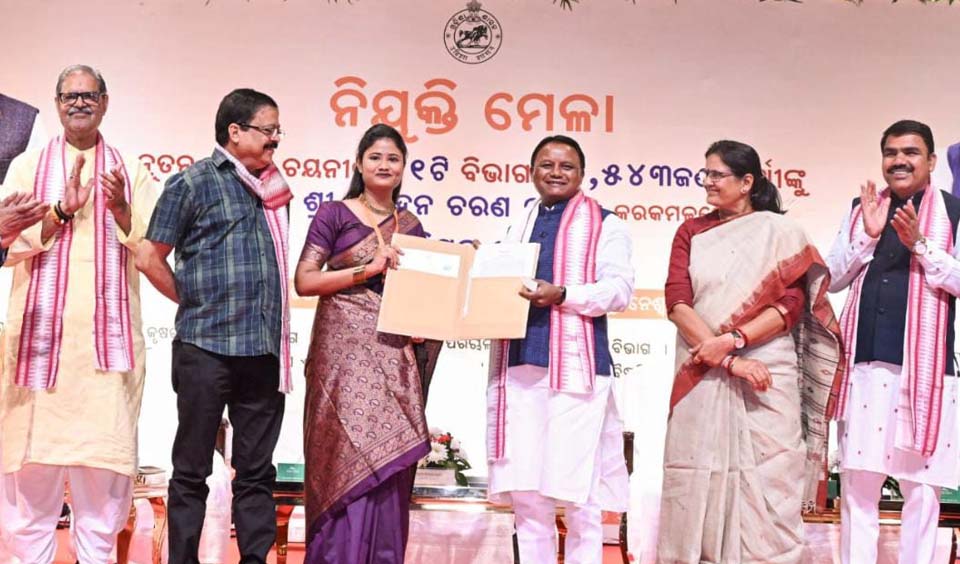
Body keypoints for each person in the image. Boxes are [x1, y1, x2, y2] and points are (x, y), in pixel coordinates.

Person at [0, 64, 158, 563]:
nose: (80, 104)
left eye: (89, 95)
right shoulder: (27, 168)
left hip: (104, 366)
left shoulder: (131, 171)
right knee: (29, 505)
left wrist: (121, 210)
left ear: (105, 103)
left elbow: (153, 248)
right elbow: (8, 245)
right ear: (57, 104)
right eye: (70, 96)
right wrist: (59, 213)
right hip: (37, 360)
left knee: (101, 510)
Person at [657, 140, 842, 564]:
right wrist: (728, 360)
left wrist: (734, 340)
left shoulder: (781, 232)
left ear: (746, 182)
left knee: (773, 474)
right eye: (705, 173)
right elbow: (677, 302)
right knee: (696, 472)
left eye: (717, 174)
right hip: (703, 368)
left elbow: (791, 305)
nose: (708, 182)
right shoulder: (691, 232)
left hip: (767, 368)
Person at [136, 88, 291, 564]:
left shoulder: (275, 190)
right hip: (205, 348)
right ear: (235, 132)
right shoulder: (192, 183)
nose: (275, 139)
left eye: (278, 131)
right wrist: (193, 300)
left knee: (257, 473)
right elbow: (148, 256)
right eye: (268, 129)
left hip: (262, 350)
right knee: (191, 469)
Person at [293, 123, 439, 563]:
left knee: (390, 463)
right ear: (358, 163)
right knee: (342, 457)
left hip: (393, 357)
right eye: (375, 157)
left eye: (393, 158)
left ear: (403, 168)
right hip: (342, 358)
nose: (384, 165)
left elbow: (421, 295)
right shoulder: (334, 215)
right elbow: (305, 281)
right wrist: (367, 270)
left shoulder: (410, 226)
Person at [485, 135, 633, 564]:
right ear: (531, 172)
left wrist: (564, 294)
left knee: (578, 493)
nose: (555, 173)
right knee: (527, 493)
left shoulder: (606, 223)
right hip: (519, 364)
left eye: (566, 166)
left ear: (582, 175)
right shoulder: (518, 224)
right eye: (546, 165)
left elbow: (619, 290)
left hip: (577, 370)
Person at [827, 120, 960, 564]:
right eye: (891, 152)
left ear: (932, 161)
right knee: (857, 487)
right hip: (865, 368)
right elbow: (832, 278)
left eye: (911, 152)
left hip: (927, 374)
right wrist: (867, 235)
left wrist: (920, 244)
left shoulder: (954, 212)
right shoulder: (862, 208)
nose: (899, 160)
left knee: (920, 491)